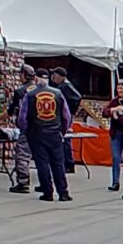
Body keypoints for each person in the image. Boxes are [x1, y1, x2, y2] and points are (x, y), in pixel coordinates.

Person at [19, 71, 74, 201]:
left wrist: (26, 131)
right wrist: (63, 131)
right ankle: (63, 192)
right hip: (55, 132)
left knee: (42, 163)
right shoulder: (58, 93)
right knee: (58, 163)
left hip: (37, 133)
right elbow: (66, 116)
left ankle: (47, 192)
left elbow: (23, 117)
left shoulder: (30, 94)